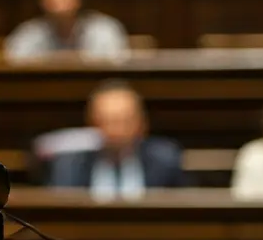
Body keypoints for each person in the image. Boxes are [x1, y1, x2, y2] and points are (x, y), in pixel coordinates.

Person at [45, 80, 185, 200]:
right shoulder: (69, 165)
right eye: (107, 121)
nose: (116, 131)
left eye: (124, 121)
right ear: (92, 123)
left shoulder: (165, 160)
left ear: (141, 123)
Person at [4, 0, 129, 61]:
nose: (60, 8)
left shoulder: (104, 31)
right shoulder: (28, 35)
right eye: (53, 0)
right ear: (42, 1)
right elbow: (13, 65)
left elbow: (117, 72)